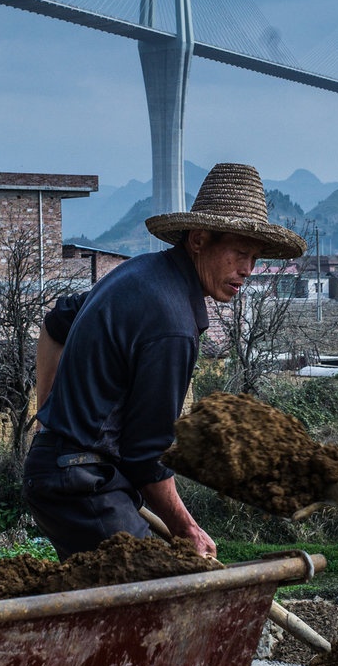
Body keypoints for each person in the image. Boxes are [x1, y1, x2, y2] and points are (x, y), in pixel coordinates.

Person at [23, 162, 304, 560]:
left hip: (69, 471)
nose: (247, 270)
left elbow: (55, 323)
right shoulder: (172, 321)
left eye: (255, 258)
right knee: (155, 597)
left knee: (112, 610)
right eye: (240, 253)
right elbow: (146, 454)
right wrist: (186, 529)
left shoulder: (141, 273)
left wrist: (49, 422)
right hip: (81, 484)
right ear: (199, 239)